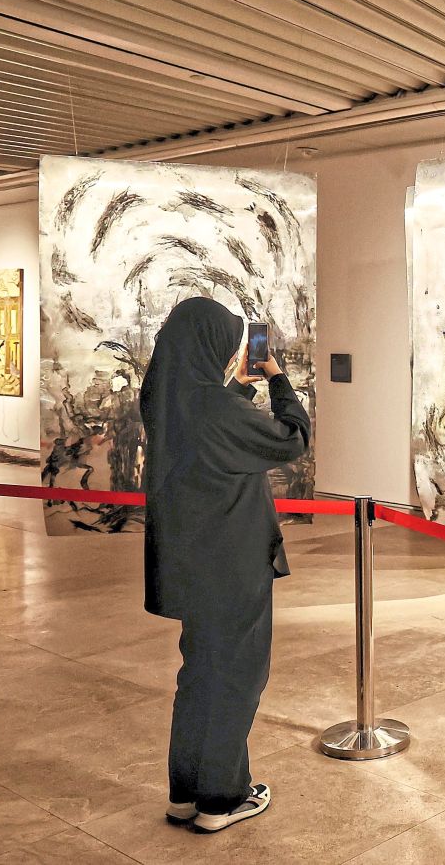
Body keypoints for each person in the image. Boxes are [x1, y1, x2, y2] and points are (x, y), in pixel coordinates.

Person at [138, 296, 310, 834]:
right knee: (236, 675)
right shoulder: (213, 408)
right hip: (232, 562)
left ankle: (186, 794)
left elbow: (210, 433)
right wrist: (277, 380)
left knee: (200, 673)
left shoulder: (165, 398)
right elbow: (293, 438)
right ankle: (222, 798)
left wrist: (236, 388)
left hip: (190, 560)